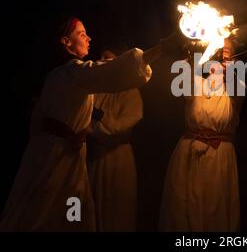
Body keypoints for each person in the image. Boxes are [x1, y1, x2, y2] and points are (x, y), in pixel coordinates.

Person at [0, 17, 161, 231]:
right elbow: (115, 69)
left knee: (70, 214)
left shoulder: (60, 75)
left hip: (66, 158)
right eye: (81, 33)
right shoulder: (71, 72)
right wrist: (163, 47)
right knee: (43, 214)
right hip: (55, 159)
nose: (89, 38)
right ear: (67, 42)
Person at [159, 38, 243, 231]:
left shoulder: (236, 87)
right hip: (187, 155)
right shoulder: (195, 82)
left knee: (215, 210)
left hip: (219, 157)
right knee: (182, 209)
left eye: (228, 51)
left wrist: (231, 71)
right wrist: (192, 53)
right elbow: (183, 77)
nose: (223, 54)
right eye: (219, 49)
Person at [87, 43, 143, 231]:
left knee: (117, 210)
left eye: (109, 60)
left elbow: (125, 124)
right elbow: (84, 125)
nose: (105, 64)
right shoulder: (93, 92)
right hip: (96, 156)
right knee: (94, 207)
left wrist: (100, 118)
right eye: (102, 60)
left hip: (118, 158)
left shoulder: (130, 91)